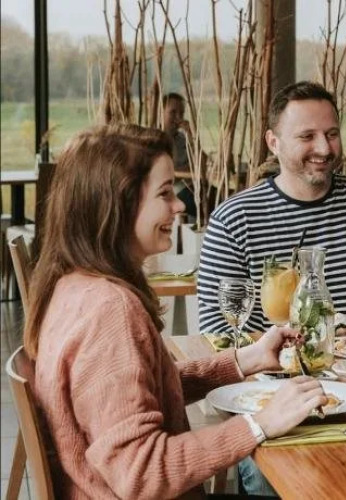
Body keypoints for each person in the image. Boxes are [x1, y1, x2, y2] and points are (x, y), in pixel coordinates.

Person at [24, 124, 328, 498]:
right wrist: (261, 423)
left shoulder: (73, 286)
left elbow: (141, 391)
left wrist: (246, 359)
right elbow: (142, 473)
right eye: (164, 193)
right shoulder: (110, 310)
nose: (180, 205)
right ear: (118, 204)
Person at [197, 81, 346, 334]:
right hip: (271, 359)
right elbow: (216, 328)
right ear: (273, 142)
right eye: (307, 136)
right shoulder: (233, 220)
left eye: (332, 134)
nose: (324, 148)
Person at [161, 92, 199, 220]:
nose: (178, 118)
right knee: (197, 202)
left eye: (181, 114)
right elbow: (170, 174)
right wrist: (190, 169)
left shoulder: (182, 138)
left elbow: (201, 163)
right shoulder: (155, 140)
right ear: (160, 112)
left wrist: (192, 136)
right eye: (173, 113)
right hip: (175, 190)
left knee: (220, 197)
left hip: (192, 186)